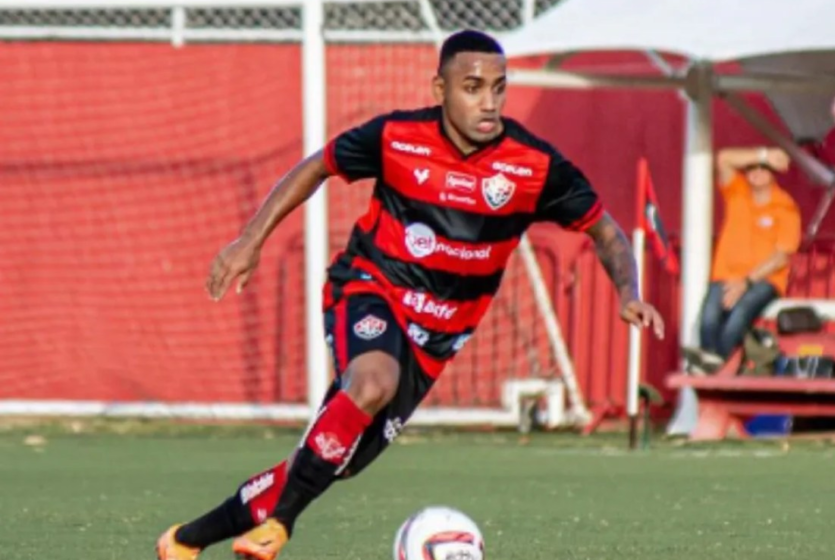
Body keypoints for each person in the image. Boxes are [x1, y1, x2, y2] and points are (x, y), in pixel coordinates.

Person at [156, 29, 665, 560]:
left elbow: (604, 229)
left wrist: (627, 290)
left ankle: (185, 541)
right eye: (472, 87)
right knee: (373, 380)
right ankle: (280, 525)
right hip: (369, 287)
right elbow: (317, 166)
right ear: (439, 88)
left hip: (438, 338)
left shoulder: (533, 165)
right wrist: (250, 239)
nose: (488, 101)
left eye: (498, 87)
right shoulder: (396, 137)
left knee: (335, 460)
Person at [683, 146, 801, 373]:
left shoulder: (785, 206)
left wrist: (745, 282)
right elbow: (724, 159)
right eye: (751, 168)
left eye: (763, 169)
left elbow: (780, 257)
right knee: (708, 319)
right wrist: (764, 155)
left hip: (763, 280)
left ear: (773, 175)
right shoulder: (738, 192)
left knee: (738, 316)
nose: (756, 173)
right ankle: (713, 366)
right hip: (725, 274)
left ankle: (712, 367)